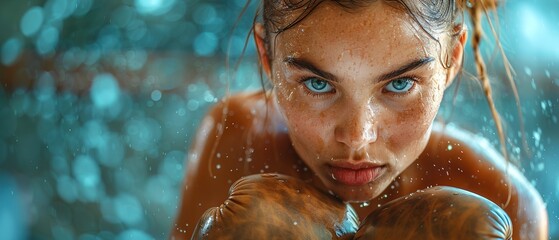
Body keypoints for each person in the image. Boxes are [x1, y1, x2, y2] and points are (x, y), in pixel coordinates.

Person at [172, 0, 548, 239]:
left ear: (453, 59)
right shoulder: (237, 137)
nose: (357, 138)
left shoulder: (511, 207)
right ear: (267, 58)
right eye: (318, 84)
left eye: (399, 84)